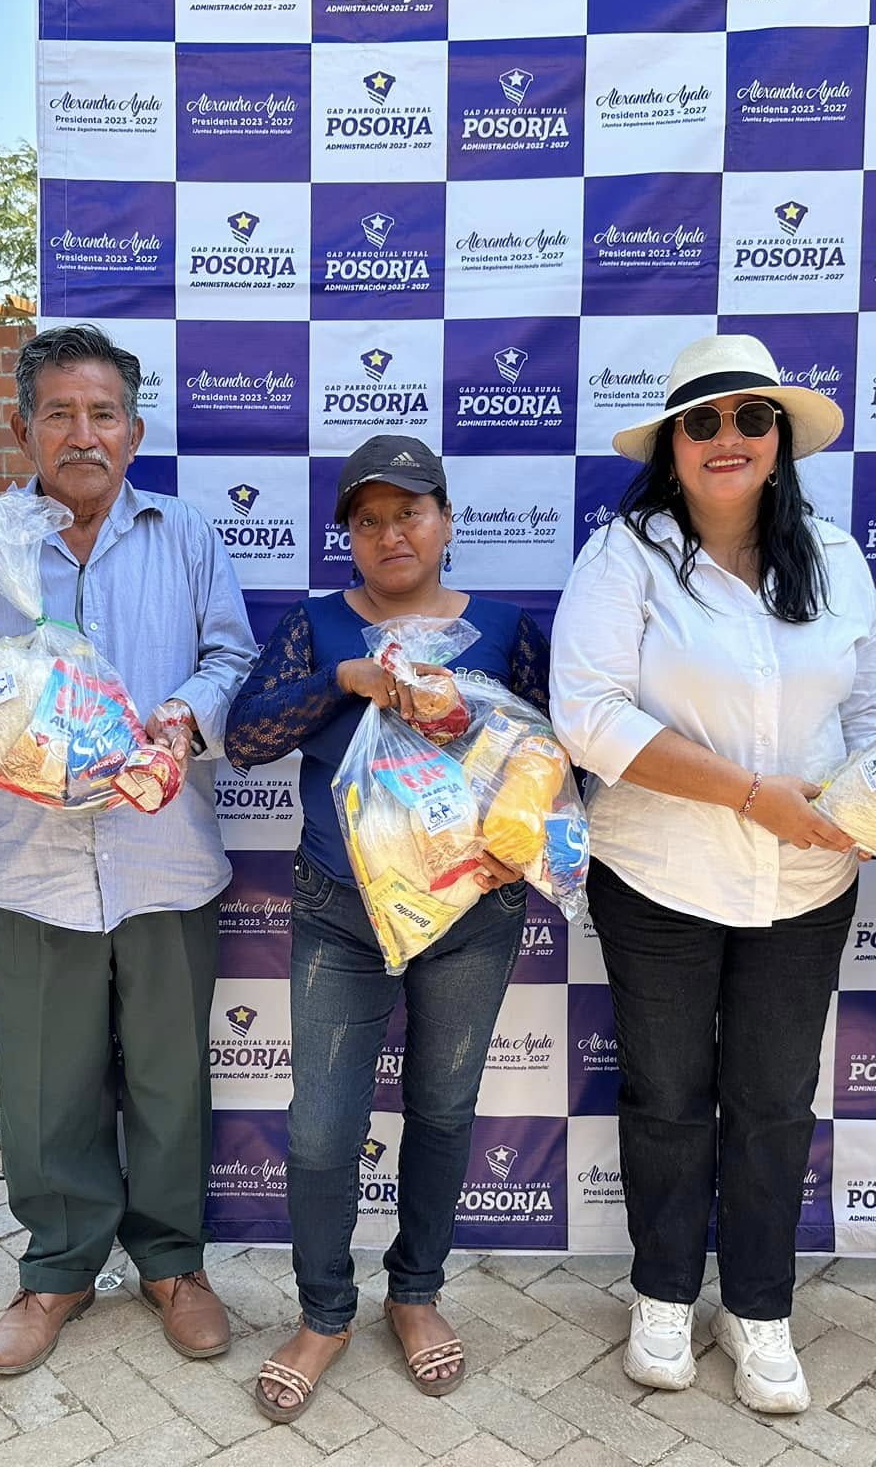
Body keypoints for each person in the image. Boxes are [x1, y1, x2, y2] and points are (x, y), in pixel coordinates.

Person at [550, 333, 876, 1414]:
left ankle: (757, 1309)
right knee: (664, 1099)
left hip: (806, 887)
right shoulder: (624, 557)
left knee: (773, 1104)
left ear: (780, 437)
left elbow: (872, 712)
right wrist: (751, 794)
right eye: (700, 422)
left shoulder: (833, 557)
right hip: (657, 874)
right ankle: (662, 1294)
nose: (727, 437)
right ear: (672, 447)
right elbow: (588, 717)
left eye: (750, 417)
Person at [0, 322, 255, 1376]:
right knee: (45, 1085)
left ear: (134, 431)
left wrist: (182, 718)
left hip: (165, 858)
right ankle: (56, 1268)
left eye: (103, 413)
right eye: (58, 413)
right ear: (21, 428)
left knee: (169, 1080)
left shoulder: (185, 535)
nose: (82, 433)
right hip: (32, 865)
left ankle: (172, 1263)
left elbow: (230, 655)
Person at [225, 435, 551, 1422]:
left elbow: (552, 760)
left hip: (471, 911)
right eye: (366, 520)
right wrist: (343, 680)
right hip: (340, 908)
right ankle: (324, 1312)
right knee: (323, 1129)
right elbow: (244, 740)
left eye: (408, 512)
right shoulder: (319, 626)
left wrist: (521, 841)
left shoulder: (502, 628)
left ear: (446, 520)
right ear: (348, 538)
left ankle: (414, 1293)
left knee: (443, 1109)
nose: (389, 533)